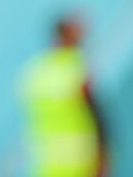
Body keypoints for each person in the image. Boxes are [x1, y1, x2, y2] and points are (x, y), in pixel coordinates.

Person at [20, 13, 108, 177]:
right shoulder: (75, 67)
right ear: (66, 33)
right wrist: (103, 153)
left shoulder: (34, 74)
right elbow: (95, 111)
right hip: (82, 161)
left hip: (48, 166)